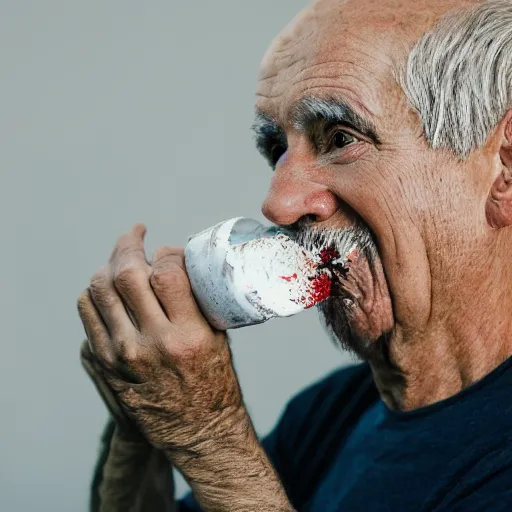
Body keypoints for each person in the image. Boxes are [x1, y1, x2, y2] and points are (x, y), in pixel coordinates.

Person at [77, 0, 512, 510]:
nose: (277, 204)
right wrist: (145, 422)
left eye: (340, 138)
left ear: (503, 165)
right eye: (277, 149)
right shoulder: (336, 411)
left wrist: (211, 439)